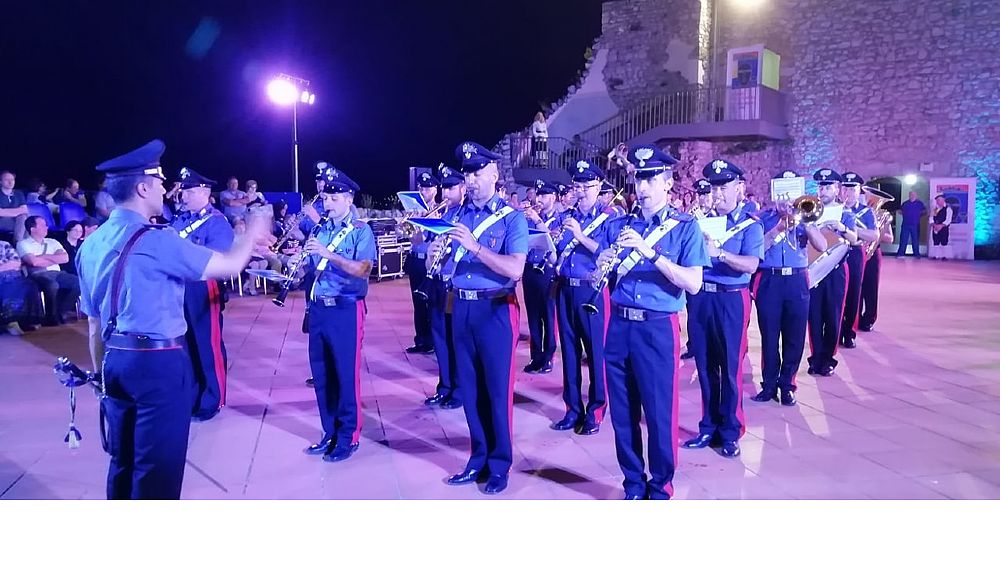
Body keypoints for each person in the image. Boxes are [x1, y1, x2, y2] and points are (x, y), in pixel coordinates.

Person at [76, 139, 271, 499]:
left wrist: (103, 376)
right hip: (158, 363)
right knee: (156, 469)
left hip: (114, 359)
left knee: (122, 460)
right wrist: (252, 231)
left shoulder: (91, 243)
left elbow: (93, 325)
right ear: (142, 188)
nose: (167, 188)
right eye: (160, 180)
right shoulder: (158, 239)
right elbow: (229, 266)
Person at [595, 144, 708, 499]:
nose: (641, 187)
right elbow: (600, 271)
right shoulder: (618, 225)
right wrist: (601, 265)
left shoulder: (685, 228)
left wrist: (651, 254)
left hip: (657, 327)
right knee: (622, 412)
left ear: (667, 182)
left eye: (650, 179)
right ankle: (632, 482)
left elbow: (693, 282)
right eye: (638, 179)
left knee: (659, 412)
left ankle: (660, 485)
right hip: (619, 325)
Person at [426, 141, 527, 495]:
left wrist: (476, 248)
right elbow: (440, 267)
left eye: (478, 172)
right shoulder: (456, 217)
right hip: (461, 307)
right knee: (469, 389)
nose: (471, 180)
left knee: (496, 390)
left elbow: (515, 269)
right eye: (467, 174)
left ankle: (499, 464)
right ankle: (478, 456)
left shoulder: (512, 218)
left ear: (494, 174)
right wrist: (434, 255)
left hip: (496, 309)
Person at [682, 159, 763, 459]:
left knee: (729, 368)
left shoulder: (750, 225)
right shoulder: (699, 223)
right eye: (714, 188)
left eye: (724, 187)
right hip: (702, 297)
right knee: (704, 365)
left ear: (739, 188)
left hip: (731, 298)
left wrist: (721, 254)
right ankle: (708, 426)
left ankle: (731, 431)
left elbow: (752, 264)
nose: (717, 194)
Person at [301, 164, 376, 463]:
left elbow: (364, 269)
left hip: (346, 308)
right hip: (319, 308)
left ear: (348, 199)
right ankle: (329, 431)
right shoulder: (320, 229)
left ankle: (348, 436)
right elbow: (313, 267)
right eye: (325, 198)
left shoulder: (360, 230)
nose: (327, 203)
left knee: (345, 374)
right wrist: (296, 263)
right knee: (322, 374)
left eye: (333, 199)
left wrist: (329, 255)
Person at [750, 171, 827, 407]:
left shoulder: (806, 215)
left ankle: (787, 385)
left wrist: (805, 222)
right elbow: (757, 249)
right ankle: (768, 385)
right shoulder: (762, 218)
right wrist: (778, 228)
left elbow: (822, 245)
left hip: (796, 280)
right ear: (775, 193)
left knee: (795, 336)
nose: (786, 198)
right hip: (770, 279)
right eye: (782, 192)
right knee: (769, 335)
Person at [550, 160, 616, 435]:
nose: (581, 191)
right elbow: (556, 253)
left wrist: (580, 236)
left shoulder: (610, 218)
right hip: (565, 288)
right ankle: (572, 409)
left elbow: (610, 254)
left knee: (596, 352)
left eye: (587, 186)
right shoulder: (566, 216)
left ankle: (596, 409)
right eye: (577, 186)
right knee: (569, 351)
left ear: (599, 186)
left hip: (593, 291)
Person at [169, 166, 235, 421]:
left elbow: (216, 256)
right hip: (179, 286)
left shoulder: (217, 222)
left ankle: (212, 398)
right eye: (183, 191)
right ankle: (192, 396)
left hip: (203, 288)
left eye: (188, 191)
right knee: (184, 344)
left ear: (204, 192)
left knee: (207, 344)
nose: (183, 195)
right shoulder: (180, 219)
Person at [806, 169, 858, 377]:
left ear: (837, 189)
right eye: (820, 187)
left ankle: (828, 358)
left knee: (833, 315)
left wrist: (841, 228)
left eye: (828, 187)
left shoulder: (845, 213)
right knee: (814, 316)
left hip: (836, 270)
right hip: (813, 268)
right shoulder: (810, 210)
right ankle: (815, 357)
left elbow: (854, 239)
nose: (823, 191)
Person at [423, 164, 466, 409]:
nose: (446, 193)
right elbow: (425, 248)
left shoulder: (467, 214)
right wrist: (430, 249)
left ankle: (459, 389)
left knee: (456, 339)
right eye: (444, 188)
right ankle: (445, 386)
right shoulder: (443, 216)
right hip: (438, 282)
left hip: (455, 285)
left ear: (462, 188)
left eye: (451, 188)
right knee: (440, 337)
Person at [520, 179, 560, 374]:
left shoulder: (560, 218)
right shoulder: (530, 218)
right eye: (539, 195)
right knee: (533, 315)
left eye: (544, 195)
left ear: (553, 197)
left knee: (548, 316)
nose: (540, 199)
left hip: (548, 271)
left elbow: (553, 243)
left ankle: (548, 357)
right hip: (530, 268)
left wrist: (537, 220)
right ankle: (535, 357)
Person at [838, 172, 879, 349]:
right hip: (834, 251)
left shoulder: (866, 211)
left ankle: (849, 332)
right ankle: (834, 331)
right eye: (845, 188)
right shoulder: (833, 208)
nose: (848, 192)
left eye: (852, 189)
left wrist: (852, 230)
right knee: (835, 295)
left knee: (854, 294)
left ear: (859, 190)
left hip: (854, 252)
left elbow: (874, 235)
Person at [17, 215, 80, 325]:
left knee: (78, 282)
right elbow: (33, 262)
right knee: (51, 285)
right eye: (43, 225)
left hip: (57, 273)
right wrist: (54, 258)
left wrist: (42, 256)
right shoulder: (23, 243)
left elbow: (65, 258)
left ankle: (60, 313)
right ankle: (51, 317)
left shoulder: (52, 242)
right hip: (38, 274)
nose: (47, 227)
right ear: (33, 229)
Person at [403, 171, 438, 356]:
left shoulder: (439, 211)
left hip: (430, 261)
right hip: (415, 260)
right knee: (417, 302)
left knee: (431, 302)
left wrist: (427, 221)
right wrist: (411, 222)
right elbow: (412, 239)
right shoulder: (415, 211)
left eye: (427, 188)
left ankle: (433, 341)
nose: (424, 192)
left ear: (435, 190)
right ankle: (421, 340)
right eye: (421, 189)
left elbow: (431, 237)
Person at [859, 192, 894, 332]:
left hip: (873, 253)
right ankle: (854, 319)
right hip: (858, 251)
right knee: (856, 288)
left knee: (871, 288)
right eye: (867, 196)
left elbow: (890, 239)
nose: (869, 200)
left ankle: (869, 319)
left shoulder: (882, 216)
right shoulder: (859, 213)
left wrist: (877, 231)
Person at [0, 239, 43, 335]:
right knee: (10, 285)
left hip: (13, 275)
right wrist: (7, 266)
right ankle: (11, 321)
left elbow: (16, 262)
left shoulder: (4, 244)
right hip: (5, 278)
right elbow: (12, 264)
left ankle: (28, 321)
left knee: (30, 285)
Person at [0, 170, 28, 241]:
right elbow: (0, 213)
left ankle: (19, 242)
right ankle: (20, 244)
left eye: (12, 179)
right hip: (2, 221)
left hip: (17, 221)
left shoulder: (19, 193)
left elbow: (24, 210)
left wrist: (5, 211)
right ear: (0, 182)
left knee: (24, 218)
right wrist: (17, 212)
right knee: (26, 223)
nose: (10, 182)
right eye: (6, 180)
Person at [896, 190, 925, 257]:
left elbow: (924, 212)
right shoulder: (905, 203)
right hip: (905, 224)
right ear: (909, 195)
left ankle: (916, 254)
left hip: (915, 225)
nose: (912, 196)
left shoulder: (920, 204)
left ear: (916, 195)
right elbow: (900, 211)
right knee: (903, 240)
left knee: (915, 240)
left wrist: (917, 215)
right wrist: (904, 214)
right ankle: (900, 254)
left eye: (913, 194)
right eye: (911, 194)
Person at [929, 194, 953, 260]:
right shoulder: (935, 209)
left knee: (944, 242)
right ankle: (936, 256)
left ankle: (944, 256)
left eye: (939, 200)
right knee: (936, 241)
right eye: (937, 200)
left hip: (944, 228)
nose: (937, 202)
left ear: (943, 200)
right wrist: (934, 225)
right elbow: (931, 218)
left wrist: (941, 226)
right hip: (935, 228)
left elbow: (948, 220)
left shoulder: (948, 209)